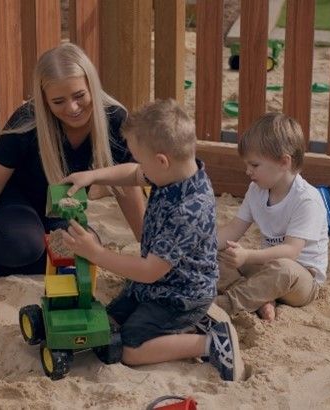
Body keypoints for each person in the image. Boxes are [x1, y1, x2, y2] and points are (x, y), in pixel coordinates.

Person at [0, 43, 146, 295]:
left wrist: (148, 249)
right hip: (12, 198)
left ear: (92, 86)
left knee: (86, 253)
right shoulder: (27, 121)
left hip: (57, 206)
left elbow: (127, 187)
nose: (72, 108)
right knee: (25, 246)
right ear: (44, 100)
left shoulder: (114, 118)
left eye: (79, 96)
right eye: (58, 101)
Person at [61, 99, 244, 382]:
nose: (137, 165)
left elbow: (149, 270)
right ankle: (193, 325)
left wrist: (95, 252)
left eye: (139, 157)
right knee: (110, 323)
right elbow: (133, 174)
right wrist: (92, 176)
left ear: (161, 160)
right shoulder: (174, 171)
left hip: (181, 296)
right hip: (153, 286)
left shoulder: (188, 209)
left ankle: (211, 342)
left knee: (130, 348)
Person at [215, 112, 328, 322]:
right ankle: (259, 299)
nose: (248, 171)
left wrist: (247, 256)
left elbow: (291, 251)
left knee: (283, 268)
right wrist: (202, 245)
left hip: (301, 278)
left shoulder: (306, 199)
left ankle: (225, 305)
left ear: (284, 162)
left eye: (255, 165)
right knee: (220, 254)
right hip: (266, 268)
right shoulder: (256, 190)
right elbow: (233, 229)